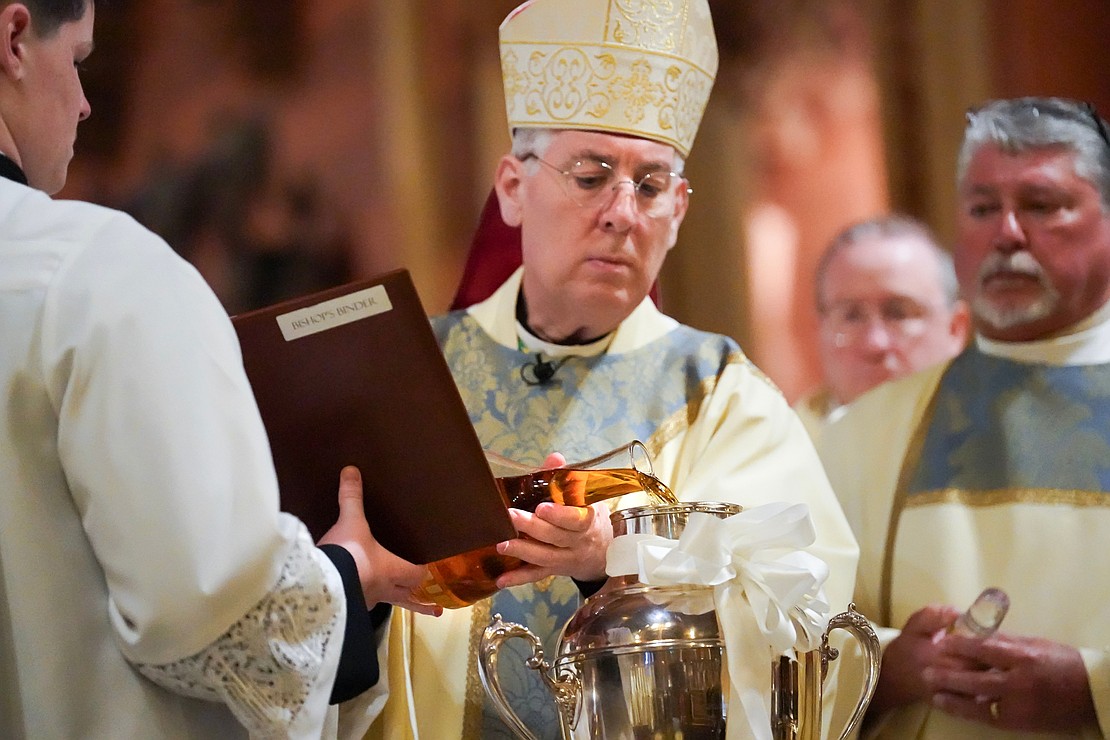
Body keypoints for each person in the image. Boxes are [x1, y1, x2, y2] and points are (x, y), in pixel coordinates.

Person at [367, 0, 860, 737]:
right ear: (511, 187)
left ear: (681, 209)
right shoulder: (405, 375)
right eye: (592, 176)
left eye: (651, 185)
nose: (623, 212)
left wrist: (616, 562)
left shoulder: (723, 396)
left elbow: (805, 627)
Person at [0, 1, 434, 737]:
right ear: (13, 38)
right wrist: (344, 572)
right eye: (76, 60)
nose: (83, 103)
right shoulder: (96, 272)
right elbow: (208, 603)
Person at [818, 96, 1110, 738]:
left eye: (1041, 205)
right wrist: (891, 663)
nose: (1006, 233)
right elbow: (787, 634)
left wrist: (1092, 692)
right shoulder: (870, 430)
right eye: (982, 209)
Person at [793, 216, 970, 439]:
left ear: (955, 329)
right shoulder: (775, 462)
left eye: (899, 313)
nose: (875, 343)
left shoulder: (1006, 448)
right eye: (851, 316)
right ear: (820, 332)